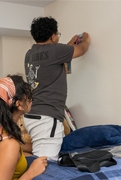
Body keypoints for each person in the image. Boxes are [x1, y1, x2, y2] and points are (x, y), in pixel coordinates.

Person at [24, 16, 91, 161]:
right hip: (47, 118)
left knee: (38, 155)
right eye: (57, 34)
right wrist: (86, 40)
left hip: (31, 115)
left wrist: (67, 45)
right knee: (45, 163)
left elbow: (51, 56)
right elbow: (81, 50)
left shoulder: (29, 54)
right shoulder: (56, 50)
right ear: (53, 36)